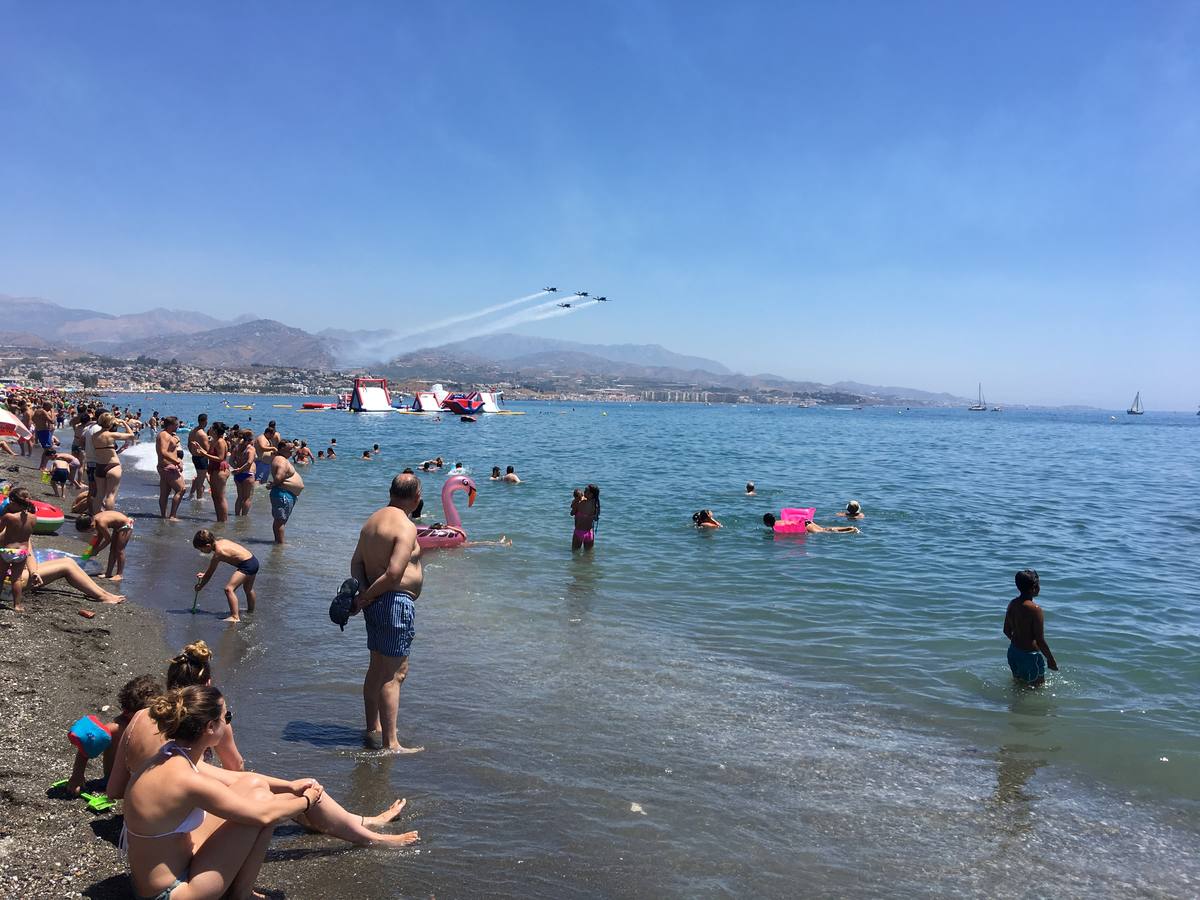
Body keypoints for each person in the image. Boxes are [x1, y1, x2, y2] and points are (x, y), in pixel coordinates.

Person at [350, 473, 425, 753]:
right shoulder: (406, 526)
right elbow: (394, 574)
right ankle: (391, 743)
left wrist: (364, 594)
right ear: (416, 497)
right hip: (394, 603)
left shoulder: (372, 521)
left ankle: (373, 727)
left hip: (377, 604)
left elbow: (356, 563)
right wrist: (366, 597)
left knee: (377, 668)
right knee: (395, 674)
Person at [64, 674, 161, 797]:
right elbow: (85, 748)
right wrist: (77, 776)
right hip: (116, 783)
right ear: (127, 712)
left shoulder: (156, 723)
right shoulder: (117, 728)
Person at [1003, 569, 1059, 686]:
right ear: (1033, 588)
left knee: (1018, 685)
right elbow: (1040, 640)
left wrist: (1019, 643)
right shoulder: (1035, 609)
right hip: (1030, 656)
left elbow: (1006, 631)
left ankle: (1014, 704)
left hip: (1013, 652)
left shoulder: (1012, 604)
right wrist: (1050, 659)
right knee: (1037, 689)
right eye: (1038, 585)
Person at [193, 530, 258, 622]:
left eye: (201, 549)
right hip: (253, 561)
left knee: (229, 589)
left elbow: (210, 574)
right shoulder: (222, 541)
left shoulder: (218, 553)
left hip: (246, 565)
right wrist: (205, 574)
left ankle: (235, 617)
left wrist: (200, 587)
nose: (201, 551)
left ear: (208, 546)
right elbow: (210, 571)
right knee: (248, 589)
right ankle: (250, 611)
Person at [13, 554, 126, 604]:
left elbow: (29, 553)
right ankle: (102, 596)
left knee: (69, 561)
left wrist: (34, 571)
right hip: (10, 579)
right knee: (66, 567)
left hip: (20, 571)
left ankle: (104, 593)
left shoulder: (23, 525)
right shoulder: (9, 525)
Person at [92, 412, 137, 511]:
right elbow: (132, 435)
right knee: (111, 495)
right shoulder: (111, 435)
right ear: (110, 423)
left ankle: (95, 518)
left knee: (99, 495)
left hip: (99, 466)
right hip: (112, 465)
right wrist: (124, 423)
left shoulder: (94, 436)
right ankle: (109, 518)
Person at [1, 487, 36, 612]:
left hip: (7, 550)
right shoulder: (33, 518)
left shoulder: (9, 516)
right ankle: (17, 605)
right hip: (22, 552)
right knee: (16, 578)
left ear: (13, 501)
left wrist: (5, 511)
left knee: (1, 576)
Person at [76, 510, 135, 581]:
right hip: (118, 526)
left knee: (119, 550)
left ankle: (119, 574)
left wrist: (97, 550)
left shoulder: (101, 523)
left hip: (126, 525)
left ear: (92, 525)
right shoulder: (94, 520)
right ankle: (108, 573)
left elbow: (108, 540)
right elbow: (99, 537)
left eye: (88, 531)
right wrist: (88, 553)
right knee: (112, 550)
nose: (90, 532)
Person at [268, 440, 304, 544]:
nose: (292, 450)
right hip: (283, 494)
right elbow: (279, 476)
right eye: (290, 448)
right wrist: (274, 483)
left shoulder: (281, 459)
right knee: (280, 522)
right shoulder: (281, 460)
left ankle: (278, 543)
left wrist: (274, 484)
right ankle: (280, 546)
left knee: (280, 521)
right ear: (282, 448)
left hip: (284, 493)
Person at [156, 417, 187, 521]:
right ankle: (172, 516)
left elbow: (171, 450)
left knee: (165, 492)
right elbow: (163, 452)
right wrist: (177, 461)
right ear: (170, 425)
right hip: (167, 467)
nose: (178, 426)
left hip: (166, 466)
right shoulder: (164, 435)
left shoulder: (169, 435)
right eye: (176, 424)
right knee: (181, 489)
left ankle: (163, 516)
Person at [207, 422, 231, 524]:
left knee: (220, 497)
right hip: (214, 469)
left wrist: (204, 454)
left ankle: (224, 521)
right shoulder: (214, 441)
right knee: (215, 496)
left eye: (212, 428)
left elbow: (220, 458)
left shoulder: (220, 441)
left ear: (216, 430)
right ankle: (219, 520)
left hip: (220, 469)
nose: (210, 429)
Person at [231, 429, 256, 517]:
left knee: (239, 497)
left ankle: (237, 516)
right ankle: (243, 518)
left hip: (238, 475)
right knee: (247, 498)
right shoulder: (251, 449)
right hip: (247, 474)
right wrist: (240, 469)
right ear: (249, 439)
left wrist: (236, 469)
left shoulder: (236, 447)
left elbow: (230, 460)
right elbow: (249, 463)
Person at [761, 513, 859, 534]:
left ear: (767, 523)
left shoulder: (776, 528)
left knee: (825, 531)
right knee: (825, 529)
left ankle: (850, 530)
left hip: (804, 525)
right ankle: (849, 527)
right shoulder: (779, 521)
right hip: (805, 521)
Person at [187, 414, 210, 501]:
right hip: (201, 458)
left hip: (195, 457)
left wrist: (193, 453)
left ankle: (191, 494)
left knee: (199, 477)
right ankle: (199, 499)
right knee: (201, 480)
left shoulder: (192, 431)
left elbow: (189, 445)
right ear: (205, 421)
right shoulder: (203, 434)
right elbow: (207, 450)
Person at [571, 484, 600, 551]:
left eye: (586, 491)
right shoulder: (596, 505)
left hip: (579, 532)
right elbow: (596, 518)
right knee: (589, 557)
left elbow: (572, 513)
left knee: (575, 554)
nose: (584, 492)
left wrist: (575, 500)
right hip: (590, 533)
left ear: (591, 494)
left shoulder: (580, 503)